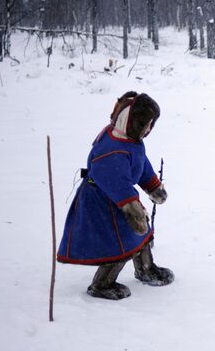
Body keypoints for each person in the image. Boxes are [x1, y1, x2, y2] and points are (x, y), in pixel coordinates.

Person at [57, 91, 174, 300]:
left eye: (151, 124)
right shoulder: (110, 150)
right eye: (145, 124)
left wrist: (153, 186)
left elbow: (140, 164)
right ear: (132, 122)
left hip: (120, 198)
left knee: (140, 233)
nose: (148, 129)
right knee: (118, 244)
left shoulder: (130, 141)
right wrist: (134, 210)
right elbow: (114, 182)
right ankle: (102, 284)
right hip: (102, 202)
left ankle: (146, 269)